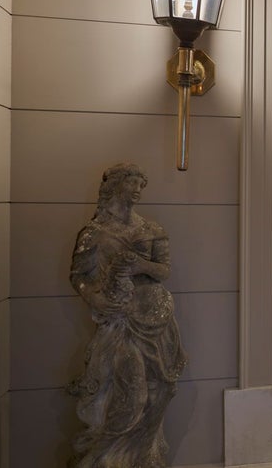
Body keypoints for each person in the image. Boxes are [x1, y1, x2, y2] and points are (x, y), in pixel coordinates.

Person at [68, 163, 188, 467]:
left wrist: (141, 266)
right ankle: (102, 458)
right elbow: (78, 276)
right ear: (116, 186)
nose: (137, 190)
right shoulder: (95, 232)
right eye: (132, 183)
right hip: (122, 323)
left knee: (163, 390)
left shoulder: (151, 230)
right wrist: (93, 296)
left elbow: (164, 271)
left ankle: (146, 457)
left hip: (157, 316)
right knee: (132, 397)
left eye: (141, 185)